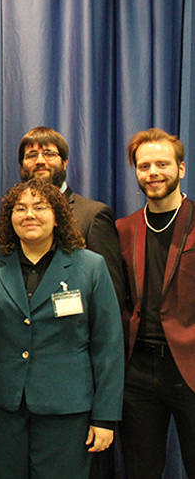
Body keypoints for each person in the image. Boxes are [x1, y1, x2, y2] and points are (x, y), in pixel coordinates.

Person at [0, 179, 124, 479]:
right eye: (20, 208)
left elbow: (108, 345)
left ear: (58, 215)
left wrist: (105, 417)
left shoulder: (90, 266)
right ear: (9, 217)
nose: (29, 215)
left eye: (40, 207)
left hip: (66, 409)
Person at [116, 128, 195, 478]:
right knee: (140, 471)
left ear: (181, 169)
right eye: (144, 166)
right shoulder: (124, 229)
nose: (153, 173)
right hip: (138, 373)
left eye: (162, 164)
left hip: (190, 369)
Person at [18, 127, 126, 313]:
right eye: (32, 155)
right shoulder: (15, 217)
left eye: (49, 154)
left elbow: (111, 297)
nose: (40, 161)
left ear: (65, 163)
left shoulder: (93, 216)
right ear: (22, 166)